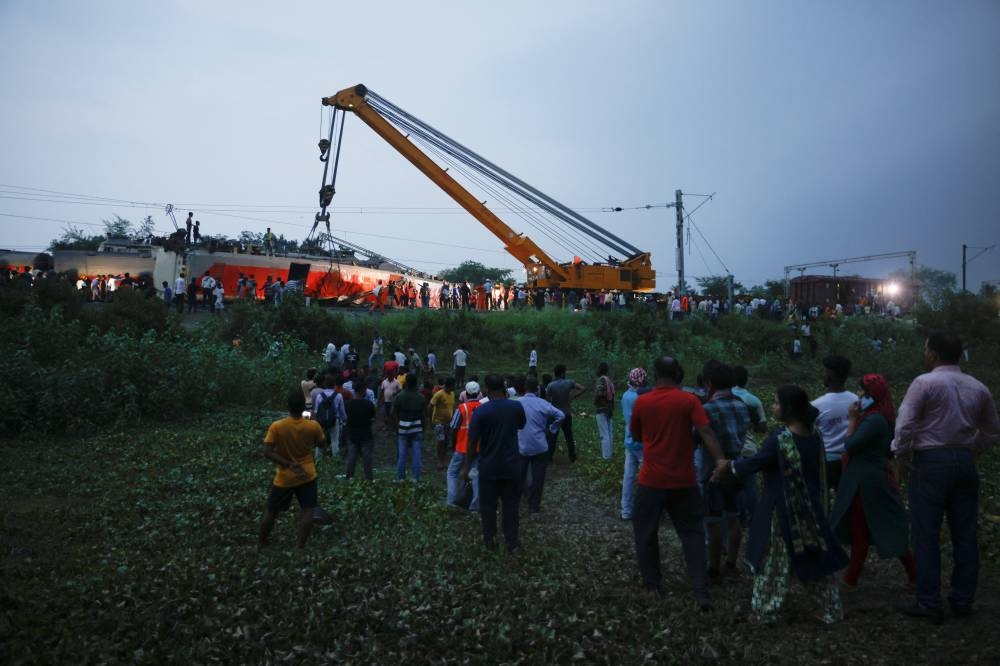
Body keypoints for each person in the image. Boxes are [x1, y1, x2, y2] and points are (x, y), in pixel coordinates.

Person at [892, 332, 1000, 623]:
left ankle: (929, 601)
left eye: (927, 348)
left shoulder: (924, 383)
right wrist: (971, 451)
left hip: (930, 462)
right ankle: (963, 599)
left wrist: (900, 455)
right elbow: (992, 430)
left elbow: (905, 424)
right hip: (964, 462)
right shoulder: (978, 387)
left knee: (926, 533)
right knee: (965, 533)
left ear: (934, 354)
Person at [716, 385, 848, 624]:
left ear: (788, 409)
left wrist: (729, 467)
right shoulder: (814, 435)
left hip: (782, 511)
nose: (773, 406)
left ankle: (766, 611)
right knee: (815, 559)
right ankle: (830, 609)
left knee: (773, 562)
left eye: (776, 403)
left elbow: (755, 462)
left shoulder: (781, 439)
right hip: (809, 510)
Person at [629, 356, 728, 609]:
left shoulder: (643, 402)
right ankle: (700, 590)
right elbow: (706, 431)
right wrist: (720, 461)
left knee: (646, 532)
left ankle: (652, 585)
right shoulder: (689, 401)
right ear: (678, 374)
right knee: (692, 534)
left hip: (651, 480)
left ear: (655, 374)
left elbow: (637, 435)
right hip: (684, 480)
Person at [829, 374, 916, 589]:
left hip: (867, 481)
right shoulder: (879, 415)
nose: (860, 395)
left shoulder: (874, 419)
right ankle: (852, 577)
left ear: (873, 396)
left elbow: (850, 443)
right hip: (868, 477)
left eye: (865, 393)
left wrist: (851, 420)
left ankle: (853, 578)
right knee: (865, 528)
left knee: (871, 527)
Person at [696, 361, 758, 580]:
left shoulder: (707, 409)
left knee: (714, 521)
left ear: (709, 383)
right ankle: (732, 562)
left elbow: (697, 437)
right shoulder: (742, 405)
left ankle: (714, 568)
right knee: (734, 518)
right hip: (737, 467)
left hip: (713, 470)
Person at [462, 374, 527, 551]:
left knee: (488, 507)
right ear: (504, 389)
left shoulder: (481, 411)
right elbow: (521, 425)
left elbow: (472, 441)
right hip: (512, 465)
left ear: (487, 390)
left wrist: (467, 466)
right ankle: (512, 542)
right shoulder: (516, 407)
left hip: (488, 467)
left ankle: (490, 541)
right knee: (511, 506)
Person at [258, 388, 326, 549]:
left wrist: (288, 464)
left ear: (288, 406)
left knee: (272, 510)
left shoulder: (277, 426)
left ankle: (262, 542)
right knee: (308, 510)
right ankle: (299, 546)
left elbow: (267, 452)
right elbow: (322, 444)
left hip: (285, 477)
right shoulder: (313, 426)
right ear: (304, 407)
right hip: (307, 474)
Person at [517, 376, 565, 514]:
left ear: (525, 387)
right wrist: (552, 428)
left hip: (522, 445)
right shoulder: (543, 403)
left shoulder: (517, 403)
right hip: (540, 445)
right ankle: (534, 505)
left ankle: (519, 500)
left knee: (520, 475)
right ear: (537, 388)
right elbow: (560, 415)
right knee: (539, 478)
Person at [731, 366, 769, 526]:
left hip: (730, 448)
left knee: (734, 487)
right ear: (746, 380)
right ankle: (755, 520)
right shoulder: (753, 400)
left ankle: (739, 519)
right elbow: (762, 428)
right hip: (748, 448)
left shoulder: (724, 396)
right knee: (750, 487)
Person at [812, 355, 856, 492]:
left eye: (824, 372)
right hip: (851, 459)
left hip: (827, 462)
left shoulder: (816, 406)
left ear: (829, 375)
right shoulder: (856, 400)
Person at [620, 367, 651, 520]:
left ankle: (626, 510)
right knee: (646, 478)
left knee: (628, 477)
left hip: (629, 441)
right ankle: (646, 510)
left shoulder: (625, 395)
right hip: (642, 443)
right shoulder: (643, 398)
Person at [447, 381, 483, 510]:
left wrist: (453, 444)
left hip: (461, 447)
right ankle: (475, 505)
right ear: (479, 393)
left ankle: (451, 502)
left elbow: (453, 427)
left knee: (452, 473)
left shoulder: (462, 408)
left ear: (466, 394)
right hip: (478, 448)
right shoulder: (483, 408)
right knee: (475, 474)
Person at [544, 365, 586, 462]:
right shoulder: (569, 382)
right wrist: (573, 397)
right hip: (566, 413)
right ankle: (572, 457)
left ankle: (549, 457)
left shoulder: (550, 385)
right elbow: (583, 388)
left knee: (553, 436)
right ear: (563, 373)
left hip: (555, 414)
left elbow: (546, 401)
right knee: (569, 436)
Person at [392, 373, 426, 481]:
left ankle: (400, 478)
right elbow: (424, 415)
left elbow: (393, 412)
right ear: (416, 383)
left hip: (403, 428)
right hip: (417, 429)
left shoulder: (400, 396)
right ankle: (416, 478)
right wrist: (423, 427)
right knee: (417, 455)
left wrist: (397, 424)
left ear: (406, 383)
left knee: (402, 455)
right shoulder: (421, 397)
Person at [344, 390, 377, 480]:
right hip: (366, 434)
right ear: (364, 392)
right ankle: (369, 478)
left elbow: (345, 417)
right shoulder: (369, 404)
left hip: (352, 434)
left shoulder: (348, 404)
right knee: (367, 458)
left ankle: (349, 476)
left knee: (351, 457)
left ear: (354, 391)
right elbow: (373, 417)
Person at [429, 377, 456, 471]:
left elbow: (453, 406)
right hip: (438, 422)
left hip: (449, 422)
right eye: (454, 385)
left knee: (446, 442)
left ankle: (444, 460)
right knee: (441, 441)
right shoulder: (439, 394)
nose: (455, 387)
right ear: (450, 385)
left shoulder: (452, 394)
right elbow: (431, 406)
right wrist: (430, 420)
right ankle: (440, 461)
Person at [594, 362, 615, 460]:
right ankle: (609, 454)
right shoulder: (609, 380)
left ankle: (606, 457)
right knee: (609, 432)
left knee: (604, 434)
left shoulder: (601, 380)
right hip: (609, 408)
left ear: (600, 370)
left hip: (602, 408)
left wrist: (595, 401)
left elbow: (599, 393)